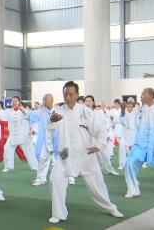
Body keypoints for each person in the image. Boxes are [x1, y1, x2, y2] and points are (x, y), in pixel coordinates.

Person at [48, 81, 123, 224]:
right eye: (65, 94)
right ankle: (58, 213)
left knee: (97, 186)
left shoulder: (85, 111)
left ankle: (111, 207)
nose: (67, 96)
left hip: (85, 153)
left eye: (70, 94)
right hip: (65, 152)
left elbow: (100, 129)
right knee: (56, 178)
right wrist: (51, 121)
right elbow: (50, 127)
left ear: (76, 95)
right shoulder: (58, 110)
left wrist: (99, 145)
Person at [0, 96, 37, 172]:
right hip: (13, 135)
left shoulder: (25, 110)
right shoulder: (8, 111)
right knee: (7, 149)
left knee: (29, 151)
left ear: (19, 102)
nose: (14, 102)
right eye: (13, 101)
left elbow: (30, 117)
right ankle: (8, 166)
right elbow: (1, 116)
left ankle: (35, 166)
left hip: (23, 135)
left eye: (16, 101)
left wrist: (22, 110)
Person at [30, 94, 57, 186]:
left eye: (46, 100)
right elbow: (31, 117)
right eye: (44, 100)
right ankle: (41, 178)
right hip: (45, 140)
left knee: (60, 160)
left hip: (56, 140)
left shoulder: (57, 111)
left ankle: (68, 178)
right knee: (42, 159)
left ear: (51, 101)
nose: (44, 102)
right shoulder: (40, 112)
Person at [118, 101, 137, 170]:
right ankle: (122, 164)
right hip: (125, 134)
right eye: (128, 107)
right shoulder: (123, 113)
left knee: (132, 150)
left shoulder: (136, 113)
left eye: (130, 107)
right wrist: (122, 112)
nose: (129, 108)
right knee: (122, 147)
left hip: (133, 134)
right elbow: (121, 121)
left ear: (133, 107)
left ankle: (132, 164)